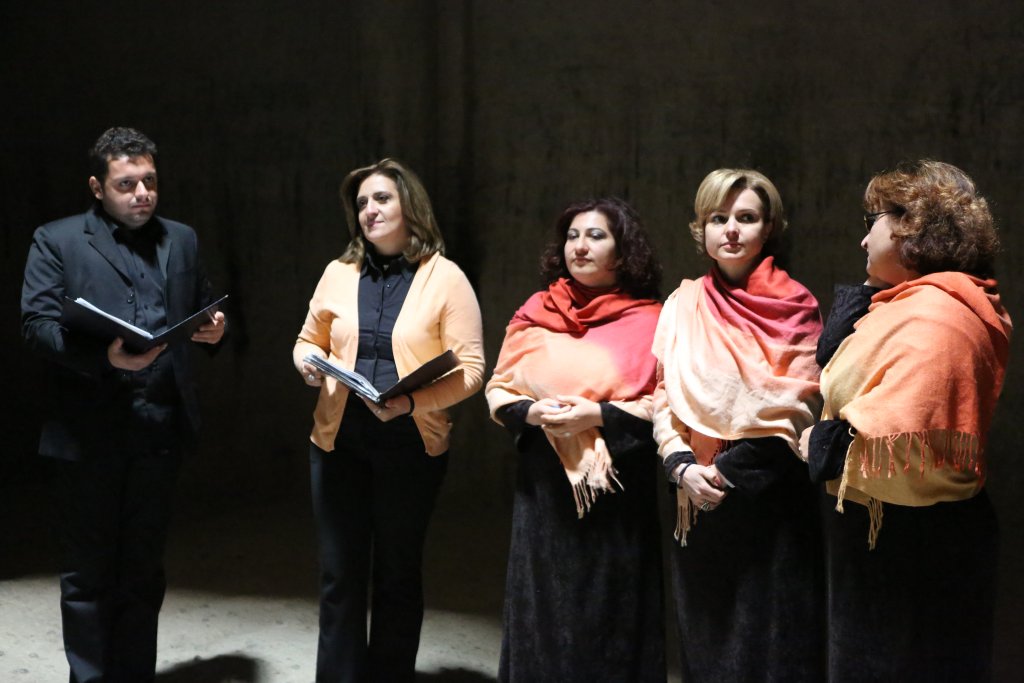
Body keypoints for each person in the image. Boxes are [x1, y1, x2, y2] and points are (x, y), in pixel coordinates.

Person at [20, 127, 226, 682]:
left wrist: (214, 327)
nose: (142, 193)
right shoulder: (57, 239)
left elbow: (202, 301)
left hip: (159, 429)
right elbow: (36, 326)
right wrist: (104, 359)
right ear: (97, 186)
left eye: (149, 181)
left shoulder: (181, 238)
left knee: (142, 573)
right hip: (88, 431)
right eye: (127, 183)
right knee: (87, 575)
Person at [804, 160, 1010, 682]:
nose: (862, 240)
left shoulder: (938, 316)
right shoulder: (896, 307)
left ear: (911, 226)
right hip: (874, 531)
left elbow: (900, 438)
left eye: (871, 221)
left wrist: (819, 441)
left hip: (914, 542)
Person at [293, 158, 485, 682]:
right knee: (339, 576)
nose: (369, 211)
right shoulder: (338, 272)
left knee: (397, 575)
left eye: (381, 199)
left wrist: (408, 404)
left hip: (409, 444)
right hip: (337, 442)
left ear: (409, 206)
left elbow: (471, 371)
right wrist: (305, 362)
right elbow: (308, 339)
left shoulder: (446, 279)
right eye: (361, 204)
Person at [652, 169, 825, 682]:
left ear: (768, 227)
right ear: (700, 229)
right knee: (708, 637)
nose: (730, 229)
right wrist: (680, 463)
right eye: (717, 218)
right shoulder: (683, 304)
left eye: (745, 218)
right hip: (695, 494)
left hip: (770, 498)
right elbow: (662, 394)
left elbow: (798, 406)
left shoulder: (797, 306)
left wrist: (726, 472)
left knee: (772, 641)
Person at [486, 198, 667, 682]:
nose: (580, 246)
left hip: (616, 492)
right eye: (572, 236)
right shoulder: (535, 311)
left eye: (596, 235)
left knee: (609, 616)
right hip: (543, 492)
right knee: (542, 610)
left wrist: (600, 414)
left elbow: (666, 403)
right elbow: (500, 387)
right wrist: (530, 410)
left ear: (623, 249)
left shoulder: (654, 321)